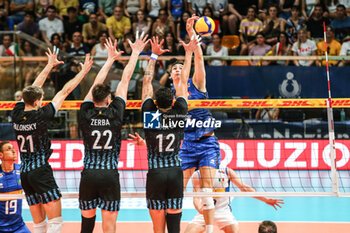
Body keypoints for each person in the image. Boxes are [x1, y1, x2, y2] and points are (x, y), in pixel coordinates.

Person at [11, 48, 93, 233]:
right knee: (55, 223)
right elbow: (65, 90)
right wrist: (83, 72)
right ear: (39, 101)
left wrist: (49, 65)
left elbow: (31, 90)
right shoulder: (42, 115)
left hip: (25, 173)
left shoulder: (16, 114)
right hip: (41, 172)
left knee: (39, 224)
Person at [78, 33, 148, 233]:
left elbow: (94, 87)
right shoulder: (116, 113)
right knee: (109, 229)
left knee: (86, 227)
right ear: (109, 99)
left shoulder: (85, 112)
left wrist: (109, 60)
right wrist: (135, 52)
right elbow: (125, 79)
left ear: (93, 98)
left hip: (89, 175)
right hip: (109, 175)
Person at [140, 35, 198, 233]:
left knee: (158, 228)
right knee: (175, 228)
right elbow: (183, 81)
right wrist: (188, 52)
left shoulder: (150, 114)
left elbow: (146, 83)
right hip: (175, 173)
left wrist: (153, 56)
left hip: (155, 174)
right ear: (173, 101)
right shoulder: (180, 110)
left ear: (155, 102)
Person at [179, 15, 222, 233]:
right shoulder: (174, 97)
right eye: (174, 70)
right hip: (187, 146)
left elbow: (198, 61)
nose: (178, 71)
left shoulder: (197, 84)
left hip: (206, 144)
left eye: (180, 68)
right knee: (178, 189)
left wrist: (192, 37)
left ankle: (210, 229)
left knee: (206, 190)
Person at [184, 167, 284, 233]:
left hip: (223, 213)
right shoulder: (198, 174)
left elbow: (244, 188)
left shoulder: (226, 171)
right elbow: (196, 197)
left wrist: (265, 200)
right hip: (204, 212)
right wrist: (199, 208)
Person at [0, 141, 31, 233]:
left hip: (18, 226)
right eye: (9, 149)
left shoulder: (22, 170)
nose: (13, 151)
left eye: (13, 148)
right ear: (1, 155)